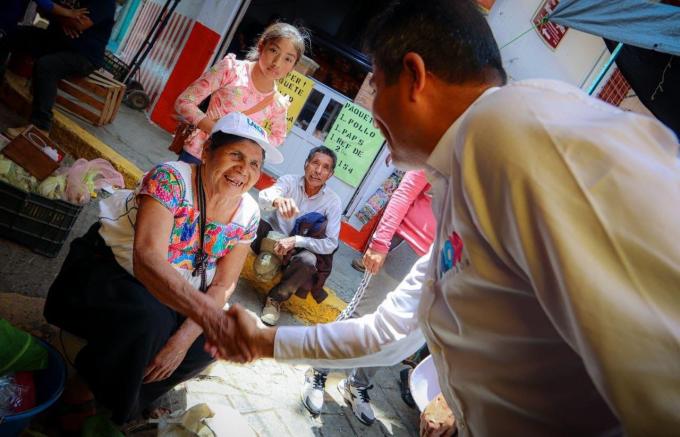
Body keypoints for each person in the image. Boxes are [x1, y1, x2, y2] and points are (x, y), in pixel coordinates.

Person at [201, 1, 680, 436]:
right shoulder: (462, 171)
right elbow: (388, 332)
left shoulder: (527, 133)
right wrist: (266, 343)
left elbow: (662, 376)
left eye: (378, 86)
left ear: (414, 76)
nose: (372, 113)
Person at [43, 112, 282, 426]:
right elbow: (148, 260)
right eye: (235, 155)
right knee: (150, 320)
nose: (244, 170)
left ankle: (126, 396)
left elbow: (223, 285)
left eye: (254, 164)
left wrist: (183, 340)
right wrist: (206, 317)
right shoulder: (171, 179)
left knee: (209, 344)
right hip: (108, 270)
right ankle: (81, 392)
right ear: (208, 151)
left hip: (171, 291)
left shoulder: (248, 212)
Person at [301, 169, 435, 425]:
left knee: (395, 331)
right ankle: (318, 370)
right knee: (362, 313)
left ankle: (357, 384)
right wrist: (380, 242)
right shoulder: (445, 143)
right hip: (406, 246)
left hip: (438, 264)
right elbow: (405, 191)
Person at [174, 22, 307, 165]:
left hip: (232, 169)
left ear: (293, 67)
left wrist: (251, 144)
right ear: (261, 46)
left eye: (288, 59)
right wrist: (217, 131)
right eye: (274, 50)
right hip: (197, 155)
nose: (277, 63)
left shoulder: (278, 103)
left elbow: (278, 137)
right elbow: (184, 102)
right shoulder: (231, 69)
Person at [252, 145, 341, 326]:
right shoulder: (289, 181)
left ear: (330, 175)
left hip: (298, 250)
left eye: (325, 167)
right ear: (306, 164)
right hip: (271, 238)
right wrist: (277, 200)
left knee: (308, 261)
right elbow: (265, 196)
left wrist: (297, 240)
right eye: (315, 163)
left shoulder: (333, 202)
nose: (318, 171)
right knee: (250, 217)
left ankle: (275, 300)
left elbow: (331, 243)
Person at [2, 0, 115, 138]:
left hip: (84, 56)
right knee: (11, 35)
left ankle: (40, 127)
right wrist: (65, 18)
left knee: (47, 66)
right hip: (58, 41)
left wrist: (59, 15)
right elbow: (42, 7)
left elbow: (79, 24)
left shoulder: (105, 2)